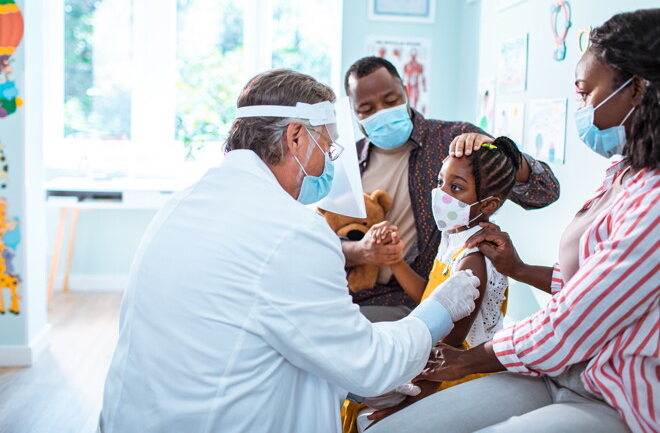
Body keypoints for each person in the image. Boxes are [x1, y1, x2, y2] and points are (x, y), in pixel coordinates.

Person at [97, 69, 482, 433]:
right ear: (296, 137)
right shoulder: (292, 232)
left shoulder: (182, 204)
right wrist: (439, 309)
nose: (328, 167)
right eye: (327, 149)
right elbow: (369, 366)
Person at [366, 9, 660, 433]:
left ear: (636, 91)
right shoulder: (622, 171)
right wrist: (519, 269)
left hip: (613, 389)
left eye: (584, 93)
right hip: (559, 368)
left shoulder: (650, 201)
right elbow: (594, 283)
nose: (581, 107)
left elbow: (576, 317)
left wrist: (514, 160)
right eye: (439, 182)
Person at [342, 56, 560, 322]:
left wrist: (499, 149)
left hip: (422, 301)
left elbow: (545, 192)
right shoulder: (348, 162)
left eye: (390, 101)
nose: (382, 112)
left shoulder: (455, 142)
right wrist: (362, 251)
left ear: (405, 90)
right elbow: (328, 239)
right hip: (356, 295)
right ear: (353, 113)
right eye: (367, 109)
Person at [347, 137, 522, 432]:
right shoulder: (453, 236)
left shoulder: (474, 258)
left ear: (489, 204)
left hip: (456, 368)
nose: (441, 194)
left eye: (455, 188)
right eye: (441, 181)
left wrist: (406, 405)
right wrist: (395, 261)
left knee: (363, 410)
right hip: (435, 354)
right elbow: (429, 297)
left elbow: (448, 350)